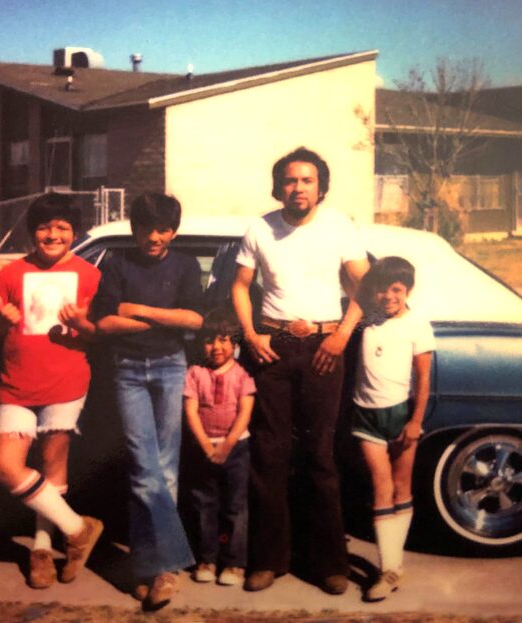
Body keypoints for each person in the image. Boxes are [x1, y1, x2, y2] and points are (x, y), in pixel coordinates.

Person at [231, 146, 370, 595]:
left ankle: (329, 563)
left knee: (320, 456)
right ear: (279, 187)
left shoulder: (339, 227)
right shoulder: (260, 228)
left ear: (321, 187)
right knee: (269, 455)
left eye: (307, 180)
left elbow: (365, 286)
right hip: (271, 350)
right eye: (291, 180)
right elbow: (239, 286)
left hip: (324, 350)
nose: (298, 188)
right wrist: (251, 335)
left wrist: (341, 336)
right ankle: (269, 560)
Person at [0, 193, 102, 589]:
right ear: (32, 232)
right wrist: (1, 321)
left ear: (74, 233)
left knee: (53, 468)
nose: (53, 234)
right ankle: (79, 530)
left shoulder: (90, 274)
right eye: (44, 227)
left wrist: (83, 324)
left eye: (62, 228)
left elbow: (99, 337)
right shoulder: (11, 272)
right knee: (4, 466)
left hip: (66, 383)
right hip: (16, 385)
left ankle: (41, 549)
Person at [93, 192, 202, 611]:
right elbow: (104, 322)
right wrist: (164, 316)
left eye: (163, 229)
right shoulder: (118, 263)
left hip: (171, 367)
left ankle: (157, 569)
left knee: (166, 468)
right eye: (146, 229)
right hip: (128, 371)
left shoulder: (186, 265)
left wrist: (136, 309)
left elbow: (194, 319)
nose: (154, 237)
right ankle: (159, 564)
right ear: (134, 228)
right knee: (144, 468)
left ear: (173, 230)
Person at [351, 256, 435, 602]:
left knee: (401, 488)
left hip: (400, 415)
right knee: (381, 487)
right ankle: (388, 570)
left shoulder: (417, 324)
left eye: (396, 290)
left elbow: (424, 378)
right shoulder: (366, 320)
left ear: (408, 290)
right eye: (382, 289)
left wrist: (415, 421)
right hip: (365, 416)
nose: (388, 296)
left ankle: (392, 567)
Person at [183, 307, 255, 587]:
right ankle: (207, 559)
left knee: (235, 506)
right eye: (210, 340)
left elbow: (245, 413)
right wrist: (206, 446)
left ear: (234, 344)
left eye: (224, 340)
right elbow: (191, 411)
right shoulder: (195, 373)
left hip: (236, 449)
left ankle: (235, 563)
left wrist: (226, 446)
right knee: (205, 504)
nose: (217, 347)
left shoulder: (241, 375)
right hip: (204, 449)